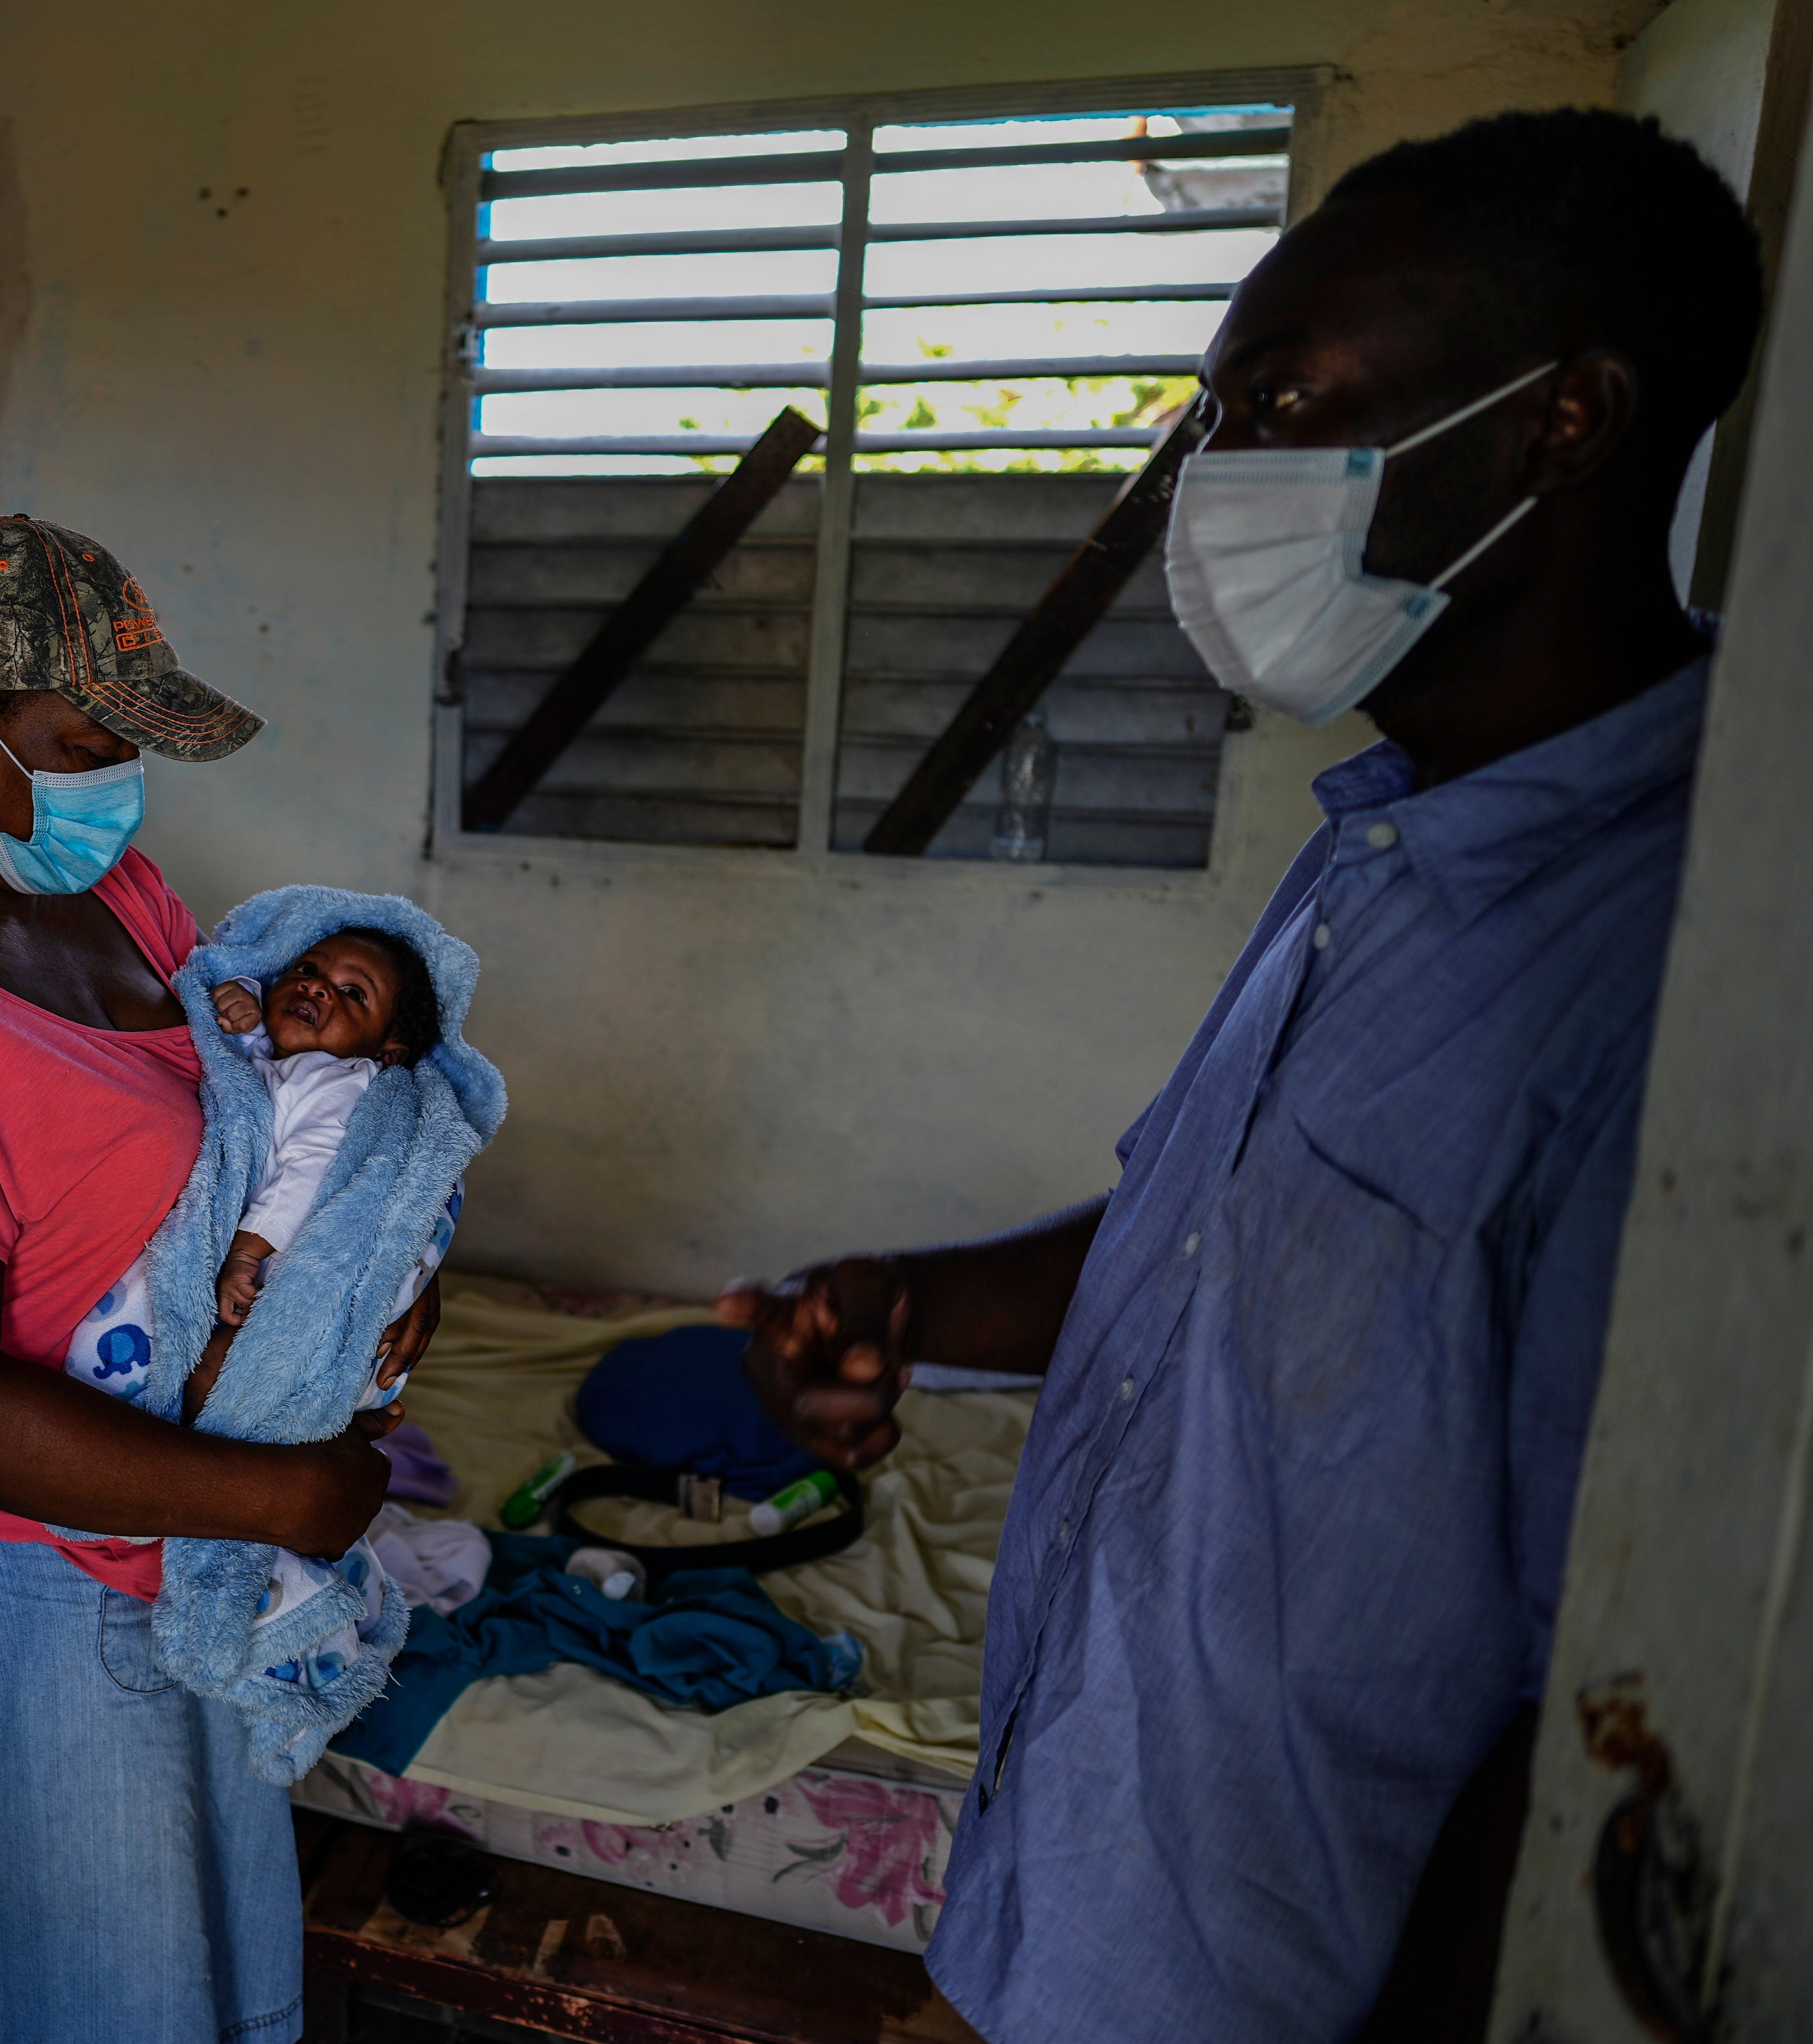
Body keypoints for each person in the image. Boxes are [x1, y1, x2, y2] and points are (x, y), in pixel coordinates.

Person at [722, 111, 1762, 2042]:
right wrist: (917, 1302)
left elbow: (1601, 1707)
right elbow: (1237, 1243)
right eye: (1212, 415)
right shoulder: (1386, 835)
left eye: (1281, 399)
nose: (1214, 477)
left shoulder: (1692, 967)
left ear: (1564, 420)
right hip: (1075, 1913)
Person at [0, 513, 442, 2043]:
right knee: (59, 1987)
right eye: (84, 742)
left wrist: (377, 1267)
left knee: (144, 1974)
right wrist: (282, 1494)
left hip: (165, 1522)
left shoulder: (107, 892)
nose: (116, 779)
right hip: (19, 1584)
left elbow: (261, 1116)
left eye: (131, 743)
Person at [205, 929, 447, 1333]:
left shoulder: (339, 1079)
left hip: (271, 1257)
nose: (315, 987)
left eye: (353, 992)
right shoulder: (270, 1052)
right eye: (307, 969)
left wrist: (247, 1254)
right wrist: (241, 996)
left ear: (387, 1052)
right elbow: (233, 1037)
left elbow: (311, 1167)